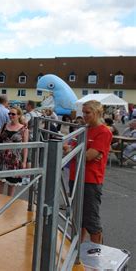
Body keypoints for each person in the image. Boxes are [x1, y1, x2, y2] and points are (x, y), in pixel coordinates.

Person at [67, 100, 112, 244]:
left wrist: (77, 152)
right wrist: (79, 153)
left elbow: (87, 156)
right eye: (83, 112)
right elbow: (74, 150)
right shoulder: (84, 129)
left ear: (97, 113)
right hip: (76, 176)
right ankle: (77, 251)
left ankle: (96, 254)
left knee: (91, 220)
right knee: (78, 219)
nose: (84, 115)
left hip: (91, 179)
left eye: (88, 113)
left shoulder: (104, 131)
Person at [0, 107, 28, 197]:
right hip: (2, 158)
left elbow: (25, 147)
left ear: (18, 115)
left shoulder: (24, 129)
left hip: (14, 160)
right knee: (0, 182)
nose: (10, 116)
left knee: (11, 184)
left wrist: (24, 162)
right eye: (9, 114)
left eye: (13, 114)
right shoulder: (4, 125)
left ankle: (8, 206)